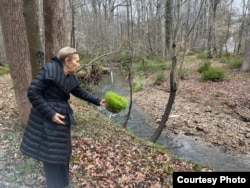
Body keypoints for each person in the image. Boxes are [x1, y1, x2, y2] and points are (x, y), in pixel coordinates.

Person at [20, 47, 105, 188]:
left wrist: (98, 101)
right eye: (77, 61)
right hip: (46, 121)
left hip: (61, 119)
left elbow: (79, 91)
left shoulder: (69, 75)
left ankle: (64, 183)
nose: (79, 64)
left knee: (63, 153)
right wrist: (50, 113)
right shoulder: (49, 70)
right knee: (51, 156)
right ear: (67, 61)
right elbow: (33, 92)